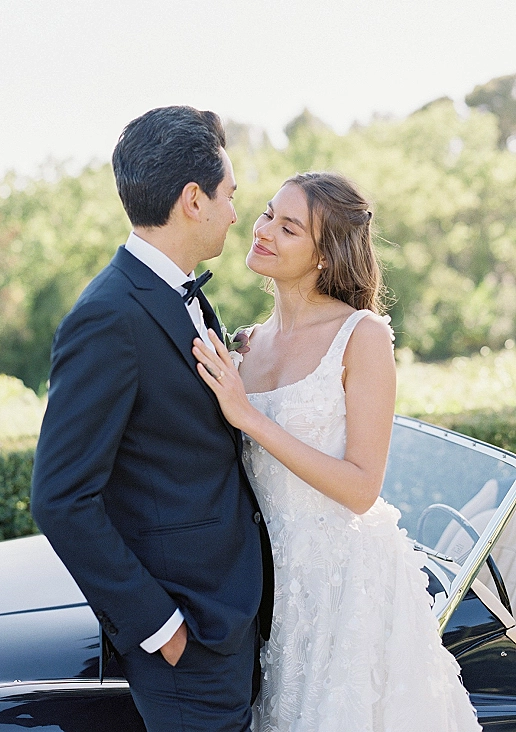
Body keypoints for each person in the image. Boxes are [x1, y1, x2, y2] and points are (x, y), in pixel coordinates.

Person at [192, 172, 482, 731]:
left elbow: (360, 486)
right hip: (265, 586)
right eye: (267, 213)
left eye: (289, 227)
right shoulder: (245, 346)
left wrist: (247, 415)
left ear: (325, 255)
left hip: (345, 585)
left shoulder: (362, 335)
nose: (264, 230)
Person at [31, 105, 274, 732]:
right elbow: (61, 496)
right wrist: (158, 625)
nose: (235, 213)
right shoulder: (107, 316)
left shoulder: (180, 290)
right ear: (193, 200)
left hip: (229, 614)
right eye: (228, 196)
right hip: (186, 634)